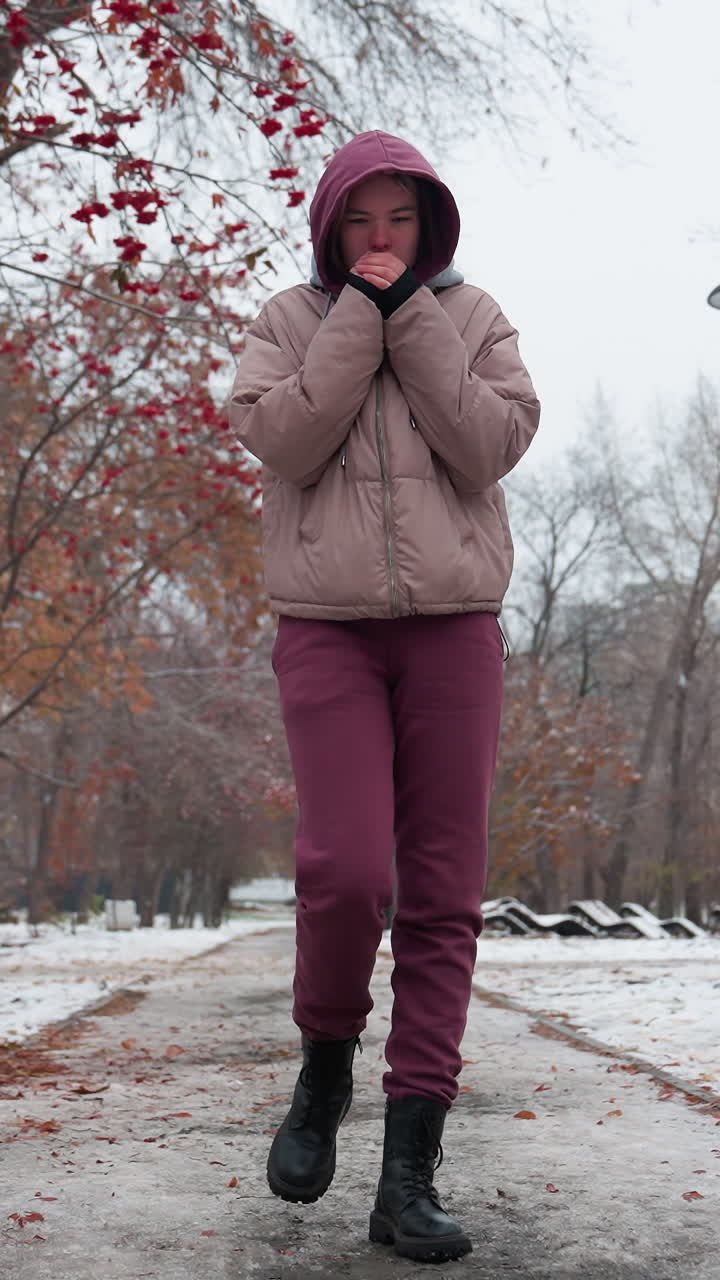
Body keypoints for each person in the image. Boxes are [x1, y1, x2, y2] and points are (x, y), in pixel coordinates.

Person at [228, 129, 540, 1263]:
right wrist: (359, 317)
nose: (378, 240)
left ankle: (409, 1171)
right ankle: (323, 1072)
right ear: (329, 226)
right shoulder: (286, 321)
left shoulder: (475, 316)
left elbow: (491, 444)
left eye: (399, 221)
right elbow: (285, 438)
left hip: (456, 630)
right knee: (348, 868)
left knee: (445, 893)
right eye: (360, 221)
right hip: (327, 630)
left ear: (430, 226)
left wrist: (413, 311)